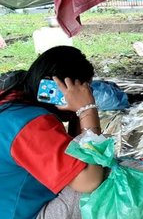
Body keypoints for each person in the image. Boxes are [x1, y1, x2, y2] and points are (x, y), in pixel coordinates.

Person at [0, 46, 104, 219]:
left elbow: (72, 150)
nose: (87, 94)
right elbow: (90, 180)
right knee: (106, 182)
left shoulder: (10, 100)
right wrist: (87, 110)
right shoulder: (31, 125)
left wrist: (77, 115)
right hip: (22, 214)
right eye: (84, 89)